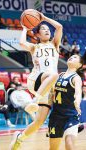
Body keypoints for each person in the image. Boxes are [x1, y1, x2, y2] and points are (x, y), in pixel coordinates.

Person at [9, 11, 62, 150]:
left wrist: (44, 19)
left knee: (39, 122)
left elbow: (59, 27)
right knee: (54, 74)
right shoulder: (34, 47)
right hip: (36, 80)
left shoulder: (55, 45)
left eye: (48, 29)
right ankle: (33, 101)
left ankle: (20, 138)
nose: (47, 30)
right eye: (43, 29)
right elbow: (21, 42)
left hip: (48, 88)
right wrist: (25, 29)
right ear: (37, 34)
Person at [48, 54, 83, 150]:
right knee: (53, 148)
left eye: (75, 57)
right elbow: (51, 93)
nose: (72, 57)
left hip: (70, 115)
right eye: (71, 56)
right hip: (56, 116)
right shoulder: (59, 75)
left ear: (79, 65)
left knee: (69, 142)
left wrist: (77, 102)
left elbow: (78, 93)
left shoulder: (76, 78)